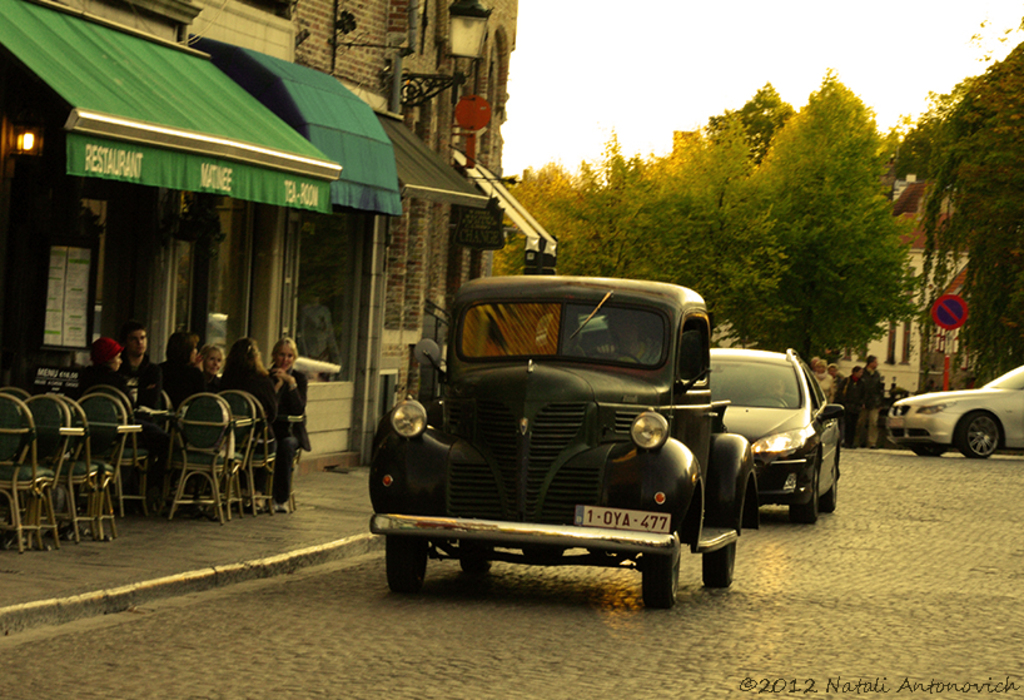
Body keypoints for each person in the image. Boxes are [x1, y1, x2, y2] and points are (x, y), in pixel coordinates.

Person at [219, 338, 280, 509]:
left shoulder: (226, 380)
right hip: (258, 439)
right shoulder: (263, 381)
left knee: (243, 447)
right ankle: (257, 493)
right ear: (255, 358)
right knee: (263, 438)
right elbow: (273, 414)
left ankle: (243, 491)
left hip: (230, 439)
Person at [269, 337, 311, 512]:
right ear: (274, 356)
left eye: (289, 356)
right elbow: (267, 406)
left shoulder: (299, 379)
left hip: (290, 431)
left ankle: (281, 499)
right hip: (270, 430)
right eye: (281, 355)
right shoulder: (267, 376)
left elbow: (298, 408)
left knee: (285, 447)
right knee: (263, 445)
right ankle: (256, 493)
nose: (285, 360)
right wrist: (277, 388)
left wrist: (291, 384)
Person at [117, 320, 162, 411]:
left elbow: (152, 400)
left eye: (142, 338)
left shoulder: (153, 370)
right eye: (134, 339)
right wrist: (143, 391)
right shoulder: (117, 366)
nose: (139, 342)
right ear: (125, 342)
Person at [160, 331, 206, 410]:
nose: (196, 351)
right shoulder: (194, 374)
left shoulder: (159, 369)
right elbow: (203, 401)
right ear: (187, 351)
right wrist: (200, 372)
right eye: (194, 348)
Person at [856, 356, 885, 448]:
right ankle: (857, 441)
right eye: (875, 362)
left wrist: (880, 403)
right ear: (870, 363)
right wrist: (861, 401)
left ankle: (872, 442)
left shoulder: (877, 374)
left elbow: (879, 389)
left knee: (873, 422)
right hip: (864, 401)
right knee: (860, 422)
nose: (877, 364)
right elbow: (860, 389)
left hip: (874, 402)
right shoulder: (863, 374)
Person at [836, 366, 864, 448]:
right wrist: (844, 402)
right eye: (860, 372)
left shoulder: (861, 383)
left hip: (856, 406)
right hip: (847, 405)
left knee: (854, 425)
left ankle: (851, 442)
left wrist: (861, 403)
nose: (861, 374)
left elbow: (863, 393)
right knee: (847, 424)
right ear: (854, 372)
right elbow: (840, 392)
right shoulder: (847, 381)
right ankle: (847, 441)